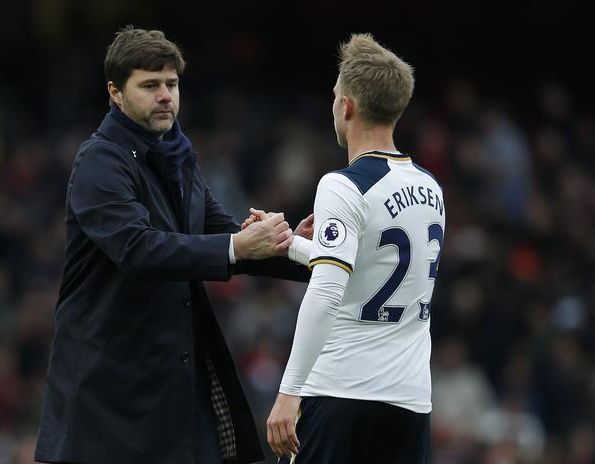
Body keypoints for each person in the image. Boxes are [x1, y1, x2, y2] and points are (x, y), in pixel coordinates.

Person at [34, 26, 311, 464]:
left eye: (172, 84)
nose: (165, 95)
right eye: (149, 85)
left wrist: (304, 251)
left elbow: (221, 231)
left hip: (172, 388)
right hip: (109, 401)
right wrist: (239, 246)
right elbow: (139, 249)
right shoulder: (99, 161)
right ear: (115, 93)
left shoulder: (178, 155)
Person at [265, 33, 445, 463]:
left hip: (339, 395)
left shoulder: (343, 185)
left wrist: (289, 392)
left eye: (334, 96)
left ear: (346, 107)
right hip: (409, 401)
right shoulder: (431, 188)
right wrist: (290, 246)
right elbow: (370, 273)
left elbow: (328, 292)